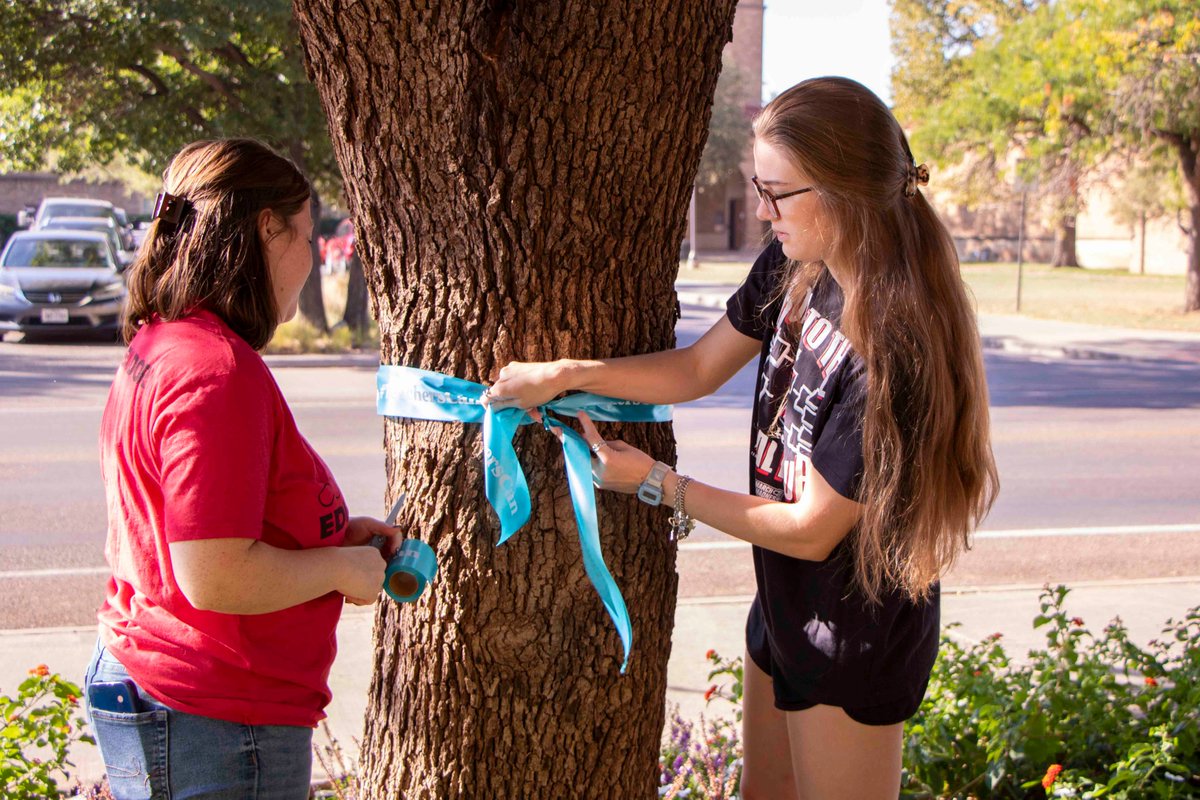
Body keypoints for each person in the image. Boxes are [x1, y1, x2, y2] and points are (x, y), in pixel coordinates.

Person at [487, 77, 999, 799]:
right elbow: (698, 367)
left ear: (845, 189)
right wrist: (565, 375)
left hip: (851, 632)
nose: (762, 210)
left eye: (779, 192)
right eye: (759, 186)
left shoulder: (893, 352)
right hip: (784, 604)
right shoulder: (794, 264)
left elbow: (813, 529)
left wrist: (660, 486)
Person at [85, 138, 398, 800]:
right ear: (265, 230)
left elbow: (207, 530)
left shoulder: (163, 343)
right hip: (215, 714)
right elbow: (215, 573)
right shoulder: (215, 370)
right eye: (306, 238)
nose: (311, 262)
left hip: (170, 686)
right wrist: (342, 570)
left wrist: (325, 543)